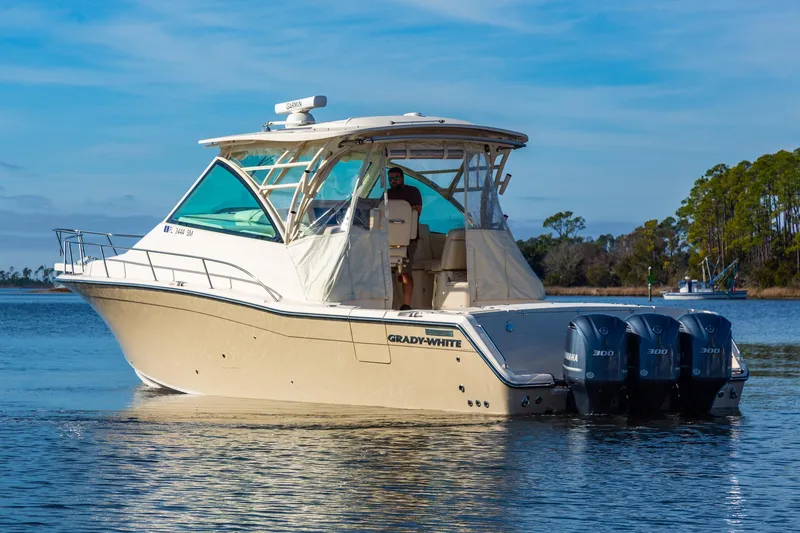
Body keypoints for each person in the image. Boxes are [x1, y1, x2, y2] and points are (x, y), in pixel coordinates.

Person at [386, 167, 422, 310]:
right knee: (387, 272)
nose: (393, 181)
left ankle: (406, 304)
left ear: (402, 178)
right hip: (388, 239)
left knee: (405, 272)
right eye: (390, 179)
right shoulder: (386, 195)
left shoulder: (412, 191)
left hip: (408, 239)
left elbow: (417, 211)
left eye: (396, 178)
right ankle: (388, 303)